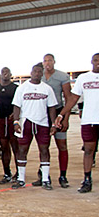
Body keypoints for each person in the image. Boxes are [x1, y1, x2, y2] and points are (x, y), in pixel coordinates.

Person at [56, 53, 99, 193]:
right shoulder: (83, 78)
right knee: (88, 151)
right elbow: (73, 99)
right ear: (91, 61)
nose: (98, 62)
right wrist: (61, 114)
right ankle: (87, 180)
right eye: (96, 60)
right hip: (89, 120)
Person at [11, 63, 58, 190]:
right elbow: (16, 106)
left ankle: (45, 179)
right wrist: (16, 122)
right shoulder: (22, 88)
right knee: (22, 150)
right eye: (35, 71)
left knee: (44, 149)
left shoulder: (47, 88)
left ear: (42, 73)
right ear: (31, 72)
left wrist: (53, 124)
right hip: (26, 121)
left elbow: (52, 108)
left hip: (42, 123)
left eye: (39, 71)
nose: (37, 73)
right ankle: (21, 179)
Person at [41, 54, 73, 188]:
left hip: (58, 112)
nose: (47, 63)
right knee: (43, 146)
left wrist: (65, 118)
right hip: (43, 115)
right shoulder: (39, 75)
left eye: (50, 60)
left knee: (62, 145)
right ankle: (43, 175)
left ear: (54, 62)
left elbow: (68, 98)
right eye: (45, 61)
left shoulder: (62, 77)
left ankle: (63, 175)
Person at [0, 67, 19, 184]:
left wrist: (16, 115)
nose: (5, 74)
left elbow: (20, 104)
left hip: (11, 120)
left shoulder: (16, 88)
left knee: (16, 147)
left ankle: (19, 172)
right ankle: (7, 173)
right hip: (0, 120)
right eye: (3, 72)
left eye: (7, 72)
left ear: (11, 74)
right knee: (4, 148)